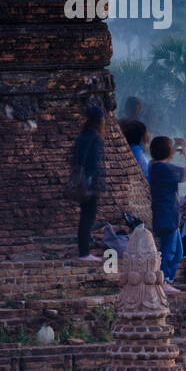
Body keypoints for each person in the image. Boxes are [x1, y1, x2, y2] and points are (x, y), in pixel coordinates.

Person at [147, 134, 186, 290]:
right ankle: (163, 281)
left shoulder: (154, 166)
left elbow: (166, 159)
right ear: (166, 152)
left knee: (178, 252)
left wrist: (174, 149)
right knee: (169, 250)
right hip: (167, 216)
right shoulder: (164, 168)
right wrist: (185, 150)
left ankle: (168, 280)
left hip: (167, 214)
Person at [73, 106, 107, 261]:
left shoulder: (81, 137)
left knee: (84, 216)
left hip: (80, 181)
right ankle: (85, 252)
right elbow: (96, 164)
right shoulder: (96, 138)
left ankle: (83, 250)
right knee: (88, 216)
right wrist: (99, 184)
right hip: (90, 183)